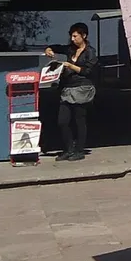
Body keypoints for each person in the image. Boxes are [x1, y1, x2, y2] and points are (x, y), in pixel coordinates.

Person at [46, 23, 98, 160]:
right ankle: (69, 148)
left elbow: (87, 71)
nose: (72, 39)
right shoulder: (70, 49)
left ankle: (79, 150)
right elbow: (57, 47)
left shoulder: (90, 52)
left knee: (79, 119)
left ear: (84, 36)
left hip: (82, 88)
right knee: (62, 120)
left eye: (75, 36)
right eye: (71, 36)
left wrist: (70, 65)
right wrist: (49, 49)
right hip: (67, 88)